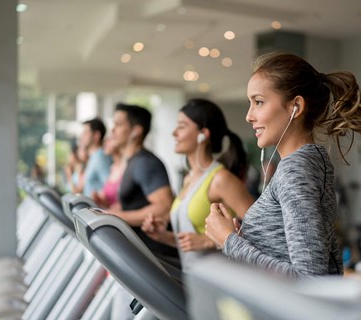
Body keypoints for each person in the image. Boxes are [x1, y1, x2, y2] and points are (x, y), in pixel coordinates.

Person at [205, 52, 361, 278]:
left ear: (296, 106)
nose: (249, 116)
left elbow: (309, 277)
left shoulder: (297, 168)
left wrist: (229, 241)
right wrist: (246, 237)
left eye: (258, 102)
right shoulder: (303, 162)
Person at [142, 99, 255, 271]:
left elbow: (261, 228)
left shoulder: (221, 179)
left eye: (181, 126)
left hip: (222, 279)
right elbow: (192, 242)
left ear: (203, 134)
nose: (174, 133)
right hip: (195, 279)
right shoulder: (189, 178)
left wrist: (210, 241)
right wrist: (163, 236)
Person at [106, 103, 177, 257]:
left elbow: (164, 207)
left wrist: (118, 217)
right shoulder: (132, 161)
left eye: (118, 125)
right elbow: (136, 203)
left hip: (157, 257)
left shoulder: (145, 162)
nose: (112, 130)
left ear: (136, 131)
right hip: (140, 252)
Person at [80, 118, 112, 197]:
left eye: (85, 132)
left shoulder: (100, 157)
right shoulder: (93, 157)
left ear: (96, 135)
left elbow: (109, 187)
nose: (81, 136)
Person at [91, 136, 126, 208]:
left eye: (111, 138)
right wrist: (98, 199)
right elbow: (108, 203)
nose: (105, 141)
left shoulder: (126, 166)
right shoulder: (112, 167)